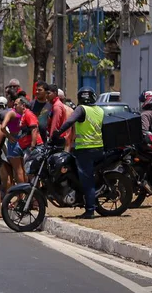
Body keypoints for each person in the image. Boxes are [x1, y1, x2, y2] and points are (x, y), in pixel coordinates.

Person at [51, 86, 104, 219]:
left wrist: (58, 133)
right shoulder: (99, 110)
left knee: (87, 181)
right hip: (98, 148)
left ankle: (90, 210)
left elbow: (70, 121)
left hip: (85, 150)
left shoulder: (81, 109)